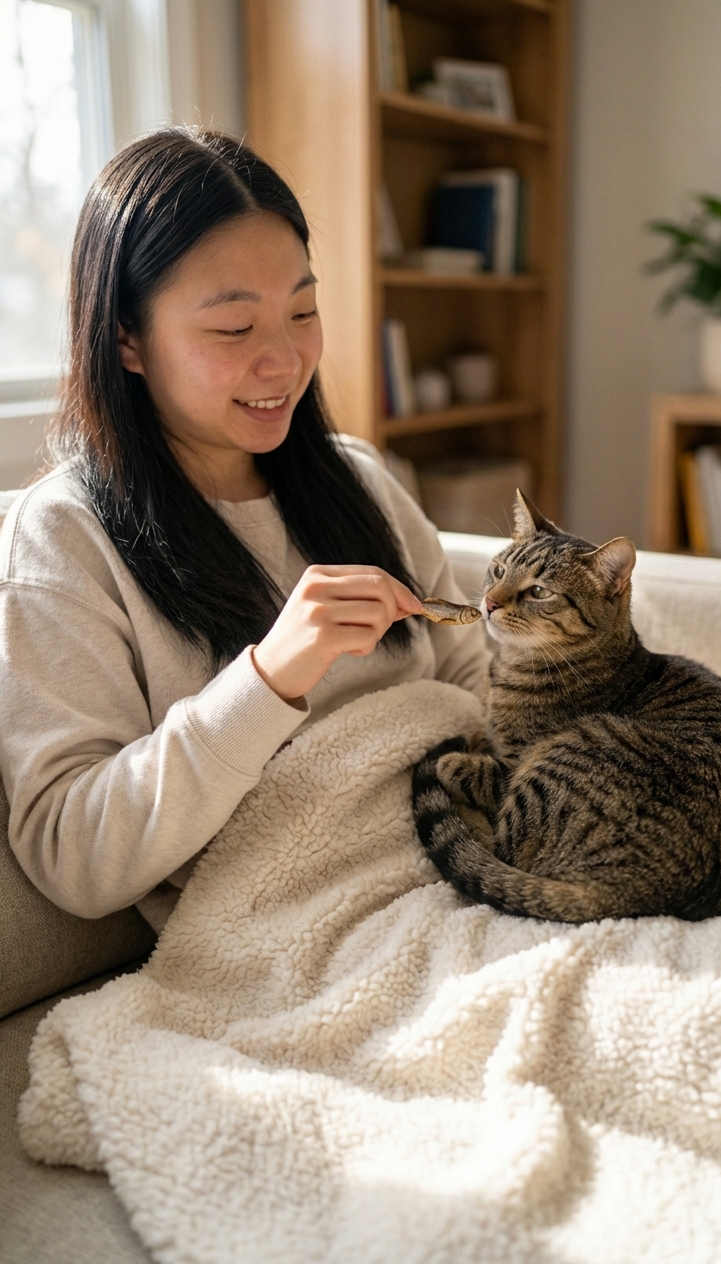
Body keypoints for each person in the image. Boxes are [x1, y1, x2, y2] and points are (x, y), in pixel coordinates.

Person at [0, 129, 488, 932]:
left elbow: (476, 680)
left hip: (464, 868)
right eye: (233, 330)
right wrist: (268, 681)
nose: (285, 361)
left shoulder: (357, 478)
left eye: (303, 311)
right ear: (127, 338)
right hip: (302, 932)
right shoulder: (63, 540)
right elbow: (72, 854)